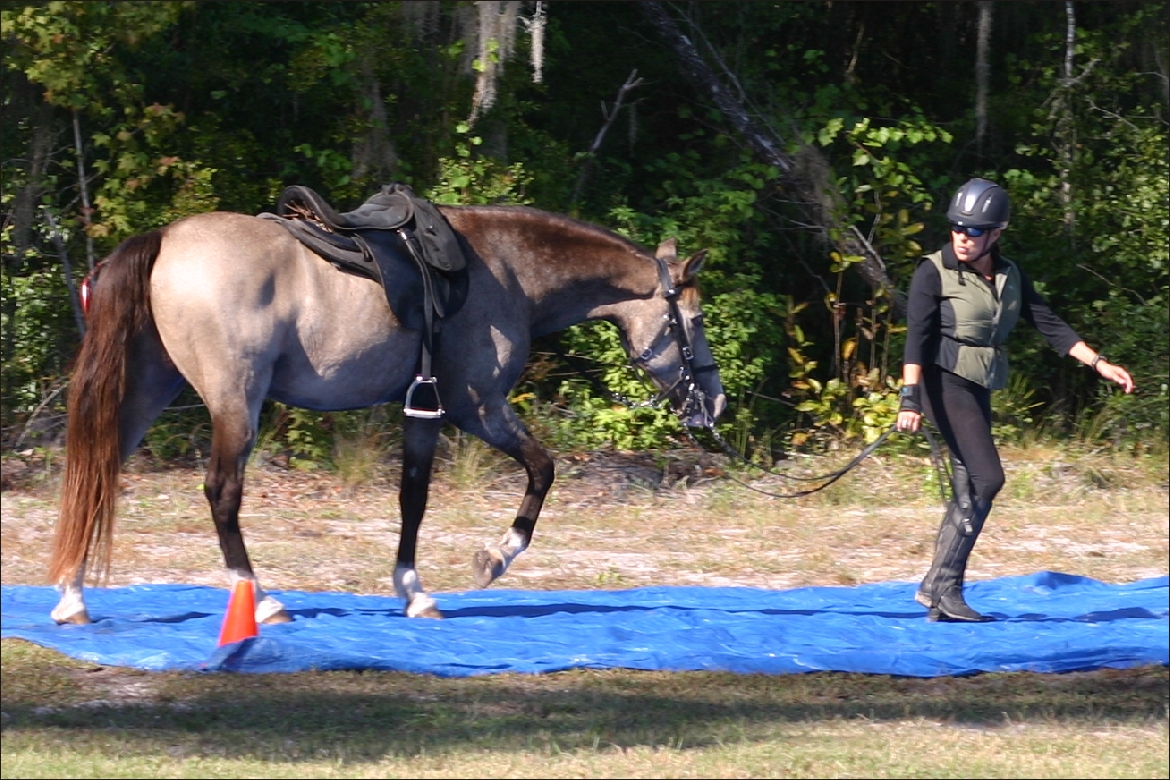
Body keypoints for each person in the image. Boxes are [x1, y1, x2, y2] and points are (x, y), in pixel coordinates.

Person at [896, 177, 1136, 623]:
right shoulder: (933, 271)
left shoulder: (1010, 274)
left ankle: (939, 589)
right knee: (988, 479)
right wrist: (909, 398)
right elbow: (917, 339)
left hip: (978, 383)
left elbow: (1047, 322)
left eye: (973, 230)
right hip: (942, 383)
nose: (962, 237)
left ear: (996, 234)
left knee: (971, 486)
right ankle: (942, 586)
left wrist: (1098, 362)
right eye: (956, 228)